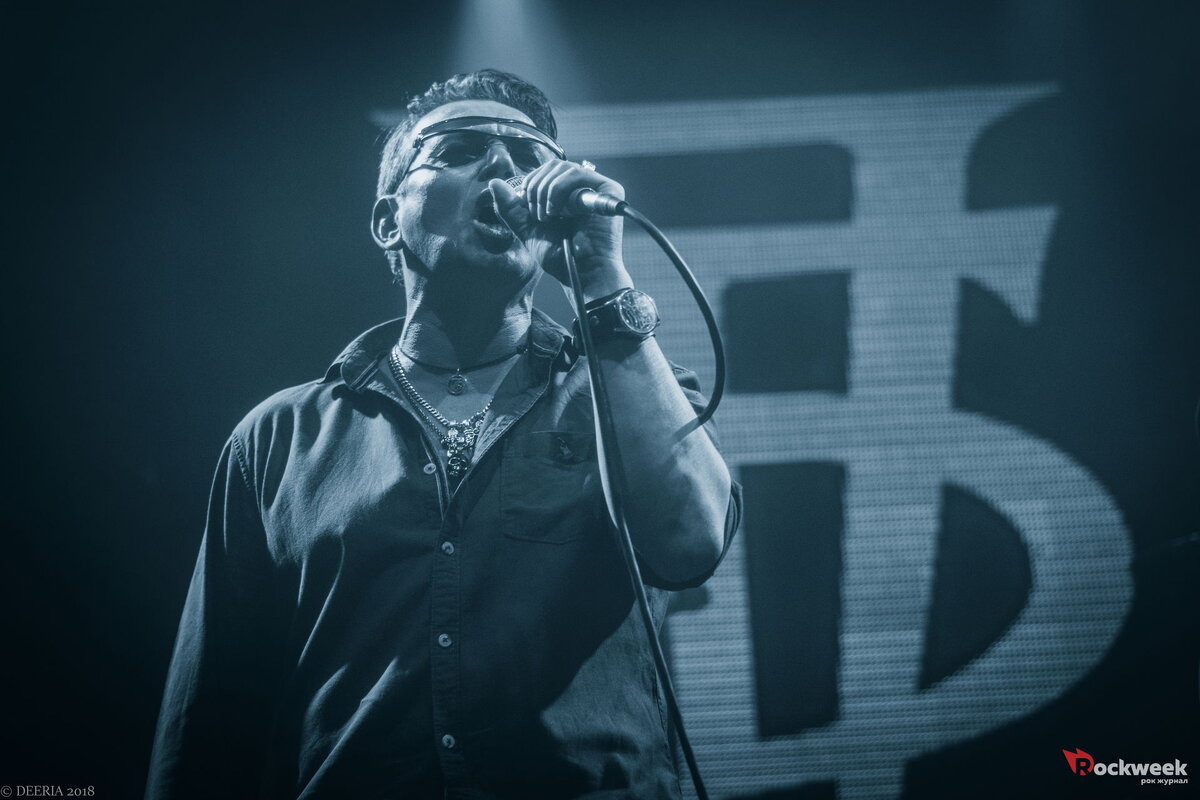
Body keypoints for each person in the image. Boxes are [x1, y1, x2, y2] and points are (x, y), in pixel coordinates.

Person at [145, 69, 741, 800]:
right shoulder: (280, 438)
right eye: (459, 150)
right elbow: (210, 714)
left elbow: (691, 543)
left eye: (529, 157)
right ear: (388, 220)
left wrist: (599, 273)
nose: (504, 166)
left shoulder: (629, 389)